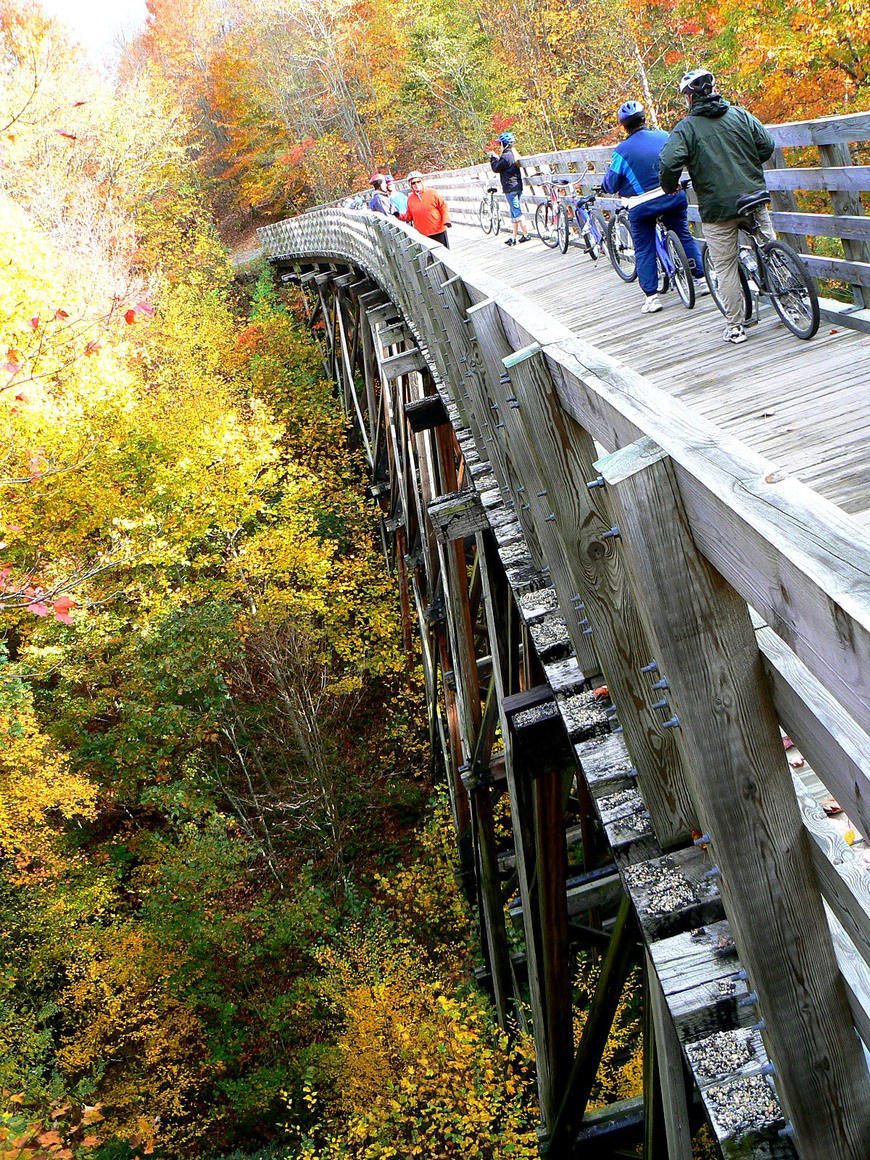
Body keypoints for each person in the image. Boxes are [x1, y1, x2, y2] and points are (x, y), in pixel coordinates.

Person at [659, 68, 776, 344]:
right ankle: (790, 294)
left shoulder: (685, 129)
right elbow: (767, 146)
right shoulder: (740, 114)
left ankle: (736, 326)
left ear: (688, 98)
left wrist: (670, 186)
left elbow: (667, 164)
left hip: (718, 209)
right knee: (769, 247)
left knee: (724, 266)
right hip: (754, 195)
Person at [601, 99, 705, 314]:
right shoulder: (664, 136)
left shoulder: (621, 151)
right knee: (683, 234)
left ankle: (652, 297)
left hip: (642, 206)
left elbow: (611, 183)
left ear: (624, 126)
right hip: (672, 195)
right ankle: (702, 279)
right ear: (644, 118)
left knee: (644, 248)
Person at [489, 131, 530, 246]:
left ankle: (526, 234)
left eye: (500, 143)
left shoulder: (505, 156)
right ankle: (513, 237)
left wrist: (492, 158)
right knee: (513, 213)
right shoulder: (512, 154)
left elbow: (496, 168)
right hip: (517, 186)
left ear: (504, 144)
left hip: (510, 188)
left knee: (517, 212)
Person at [398, 171, 451, 247]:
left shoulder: (432, 192)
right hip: (423, 235)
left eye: (418, 181)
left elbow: (443, 206)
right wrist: (398, 215)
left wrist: (446, 220)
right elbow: (409, 216)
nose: (416, 184)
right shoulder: (410, 198)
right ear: (410, 185)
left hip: (438, 231)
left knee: (444, 254)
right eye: (413, 183)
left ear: (421, 182)